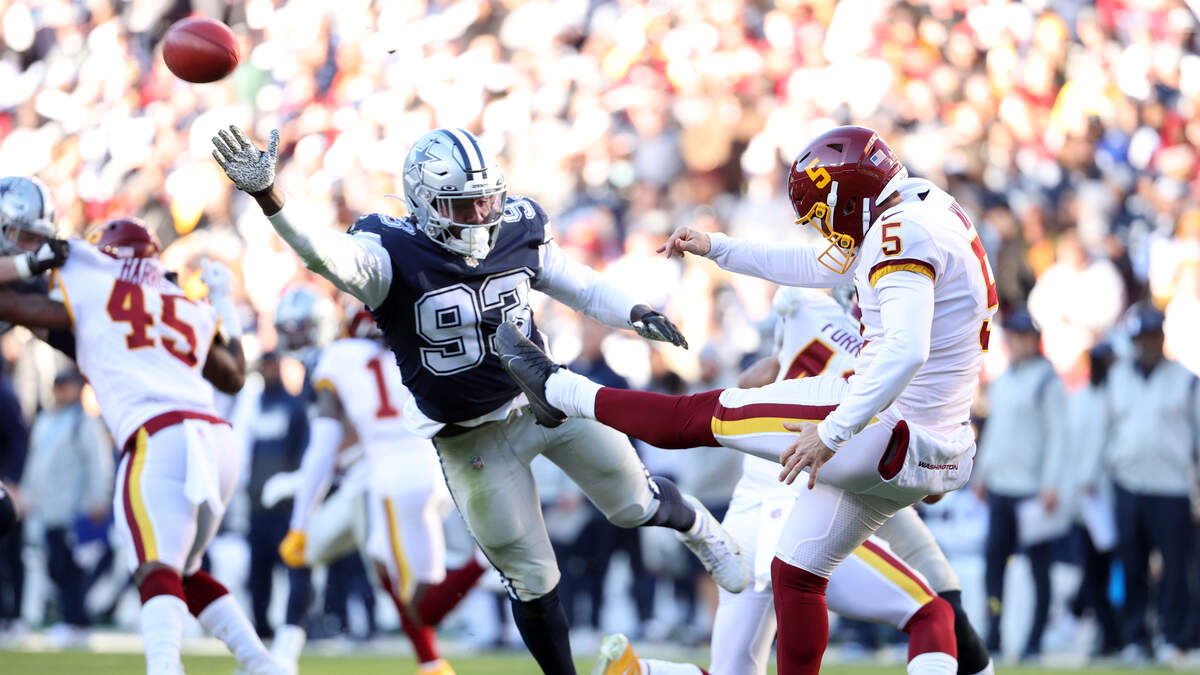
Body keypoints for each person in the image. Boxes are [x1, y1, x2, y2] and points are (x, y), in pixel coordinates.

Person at [212, 124, 749, 675]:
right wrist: (270, 196)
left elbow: (581, 285)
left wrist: (634, 312)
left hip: (544, 399)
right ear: (425, 203)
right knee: (531, 575)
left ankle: (701, 530)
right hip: (470, 439)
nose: (480, 215)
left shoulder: (517, 227)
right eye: (462, 204)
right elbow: (322, 254)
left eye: (486, 200)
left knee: (634, 501)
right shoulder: (389, 253)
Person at [500, 125, 997, 675]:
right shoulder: (925, 207)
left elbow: (905, 350)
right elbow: (818, 267)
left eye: (825, 215)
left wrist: (832, 432)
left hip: (877, 424)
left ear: (849, 197)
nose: (827, 231)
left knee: (697, 416)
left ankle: (557, 388)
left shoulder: (898, 231)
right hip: (937, 443)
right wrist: (718, 249)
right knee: (798, 574)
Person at [594, 287, 992, 675]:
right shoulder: (899, 358)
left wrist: (782, 359)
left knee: (732, 670)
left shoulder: (804, 307)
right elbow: (927, 483)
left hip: (748, 512)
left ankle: (637, 671)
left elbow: (750, 383)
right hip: (807, 508)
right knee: (932, 614)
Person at [0, 217, 288, 675]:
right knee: (182, 572)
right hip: (215, 441)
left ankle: (165, 668)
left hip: (159, 437)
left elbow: (16, 304)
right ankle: (262, 664)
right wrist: (222, 303)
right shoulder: (179, 301)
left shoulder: (95, 289)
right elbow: (234, 375)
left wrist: (27, 264)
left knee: (155, 569)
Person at [279, 303, 487, 675]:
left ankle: (484, 561)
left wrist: (299, 522)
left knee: (422, 607)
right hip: (431, 469)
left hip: (395, 481)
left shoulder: (339, 357)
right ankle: (431, 664)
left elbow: (323, 448)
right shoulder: (409, 350)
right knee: (385, 564)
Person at [1104, 303, 1199, 666]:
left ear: (1162, 337)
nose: (1148, 343)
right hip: (1128, 483)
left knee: (1175, 568)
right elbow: (1107, 431)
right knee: (1132, 565)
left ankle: (1174, 638)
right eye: (1142, 337)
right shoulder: (1118, 378)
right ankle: (1135, 638)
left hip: (1172, 487)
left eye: (1153, 336)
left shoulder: (1186, 380)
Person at [971, 309, 1068, 659]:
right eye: (1012, 336)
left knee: (1039, 570)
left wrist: (1051, 482)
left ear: (1034, 340)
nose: (1015, 342)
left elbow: (1058, 436)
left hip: (1032, 491)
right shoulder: (1004, 380)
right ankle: (994, 633)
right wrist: (981, 474)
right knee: (994, 567)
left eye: (1022, 336)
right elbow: (994, 432)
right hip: (1002, 486)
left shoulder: (1048, 381)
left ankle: (1034, 640)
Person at [21, 368, 113, 637]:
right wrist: (26, 496)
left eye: (66, 386)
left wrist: (98, 499)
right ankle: (70, 618)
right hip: (48, 509)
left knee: (73, 568)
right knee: (55, 566)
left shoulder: (84, 422)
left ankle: (76, 621)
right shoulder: (46, 420)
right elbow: (35, 462)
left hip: (75, 509)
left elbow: (98, 463)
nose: (61, 391)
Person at [245, 352, 311, 642]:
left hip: (286, 505)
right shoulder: (253, 405)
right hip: (258, 504)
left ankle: (295, 625)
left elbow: (304, 451)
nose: (268, 370)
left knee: (295, 567)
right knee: (258, 572)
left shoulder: (294, 406)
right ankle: (261, 626)